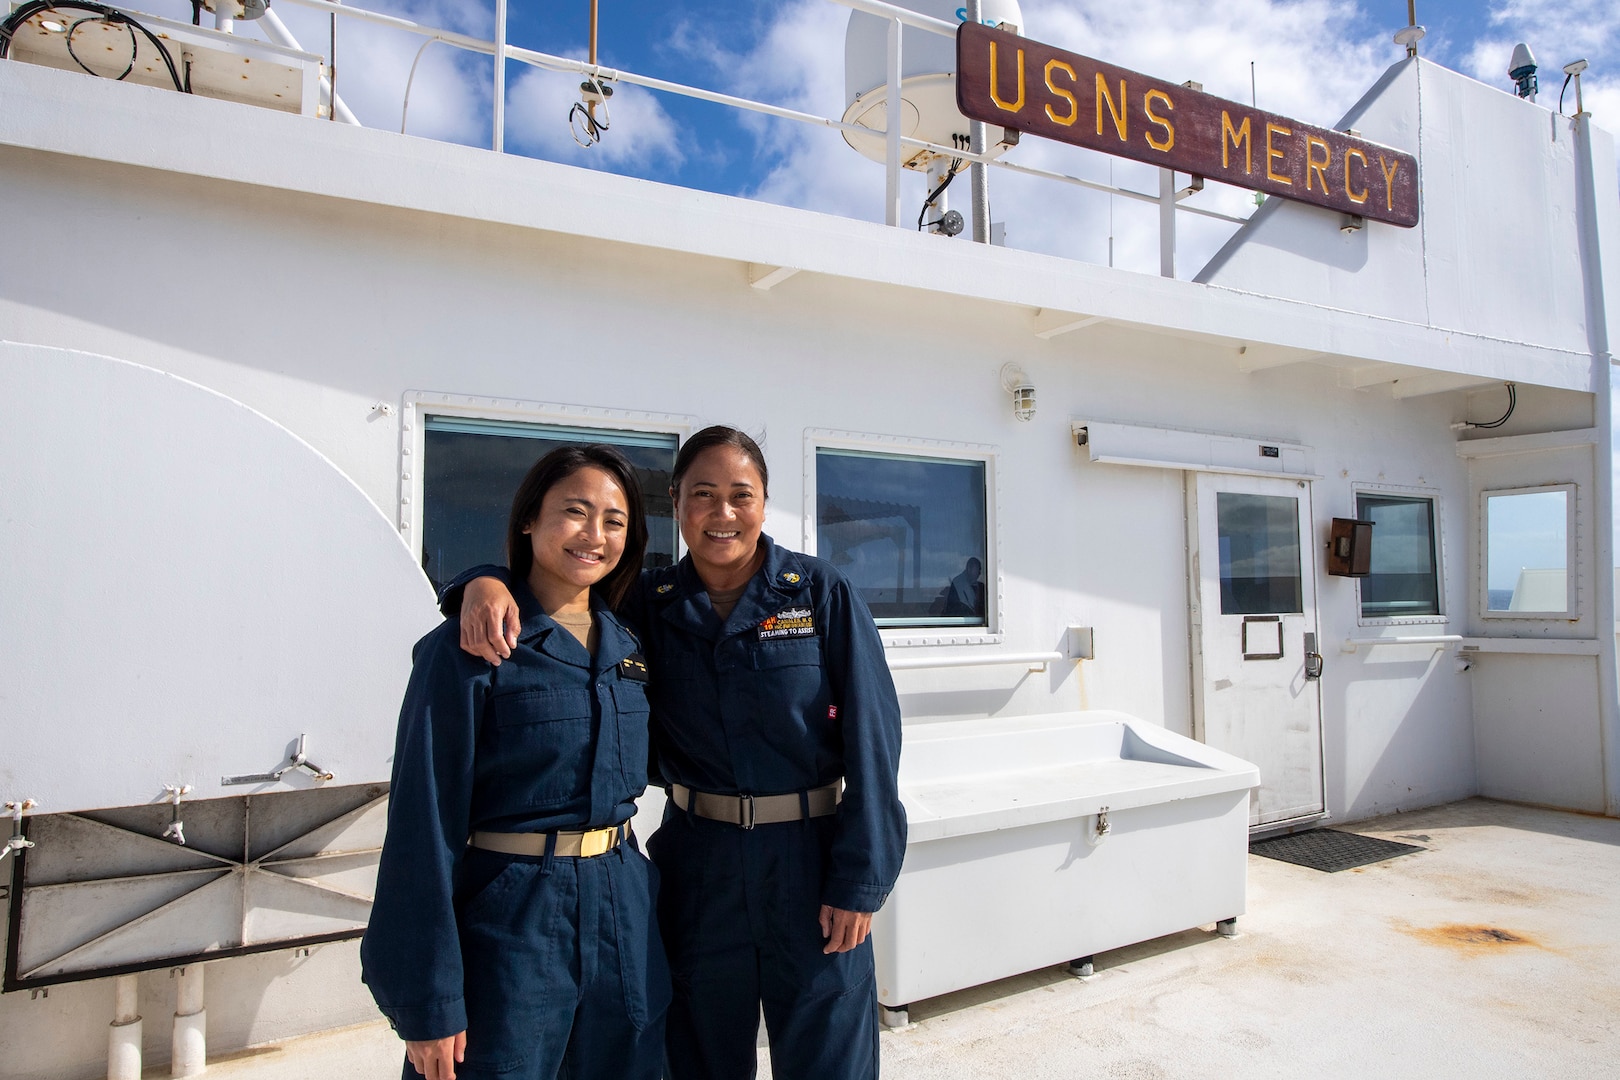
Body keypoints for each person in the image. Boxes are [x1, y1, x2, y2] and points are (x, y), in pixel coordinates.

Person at [445, 426, 906, 1080]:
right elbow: (561, 589)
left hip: (809, 862)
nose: (723, 514)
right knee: (697, 1057)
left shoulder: (818, 593)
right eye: (703, 495)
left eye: (740, 496)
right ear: (677, 502)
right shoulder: (649, 604)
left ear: (765, 504)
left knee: (829, 1054)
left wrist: (860, 879)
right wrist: (480, 581)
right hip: (698, 863)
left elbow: (874, 743)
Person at [362, 445, 669, 1080]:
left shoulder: (630, 645)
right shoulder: (471, 648)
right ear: (529, 518)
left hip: (622, 914)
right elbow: (424, 825)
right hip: (512, 924)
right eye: (575, 511)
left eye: (615, 521)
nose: (595, 534)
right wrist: (428, 1001)